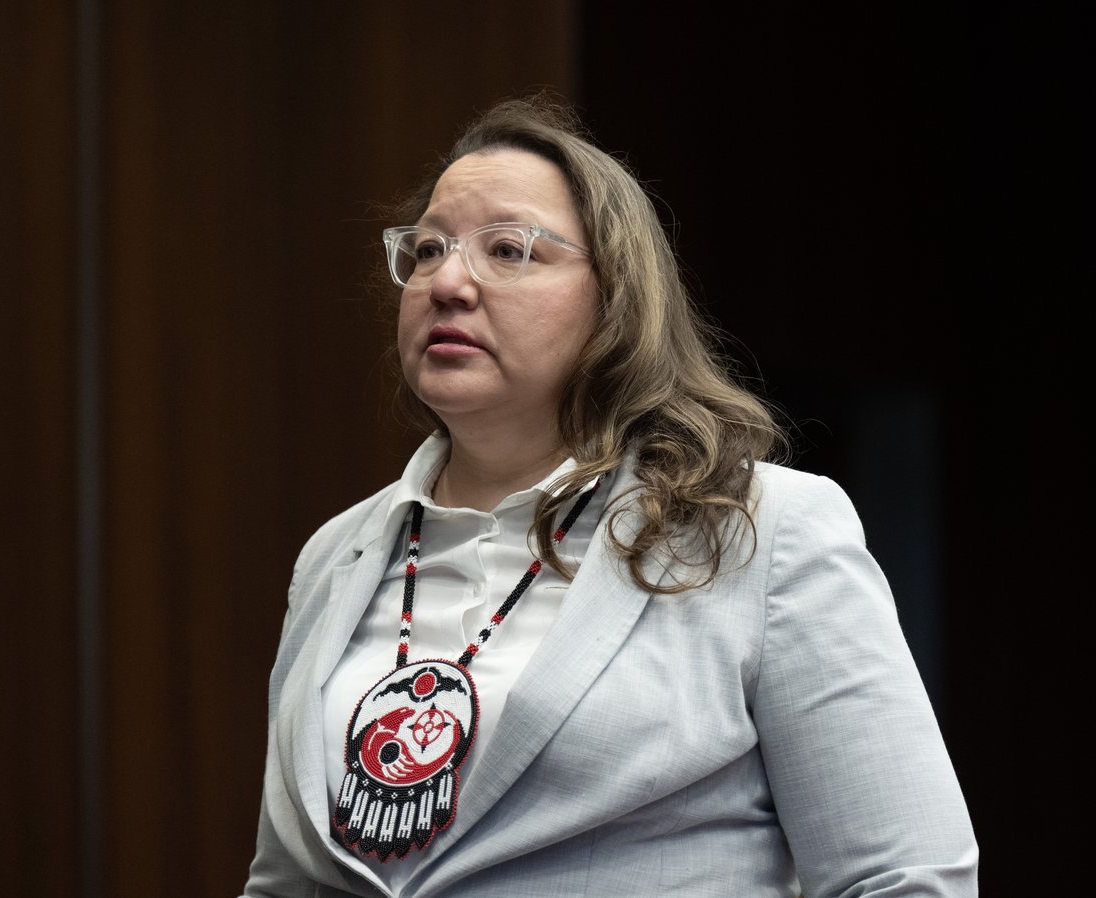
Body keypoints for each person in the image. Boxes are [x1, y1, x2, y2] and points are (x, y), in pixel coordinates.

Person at [240, 92, 979, 898]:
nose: (446, 281)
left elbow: (903, 878)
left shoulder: (763, 532)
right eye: (426, 250)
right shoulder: (333, 558)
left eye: (508, 249)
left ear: (615, 299)